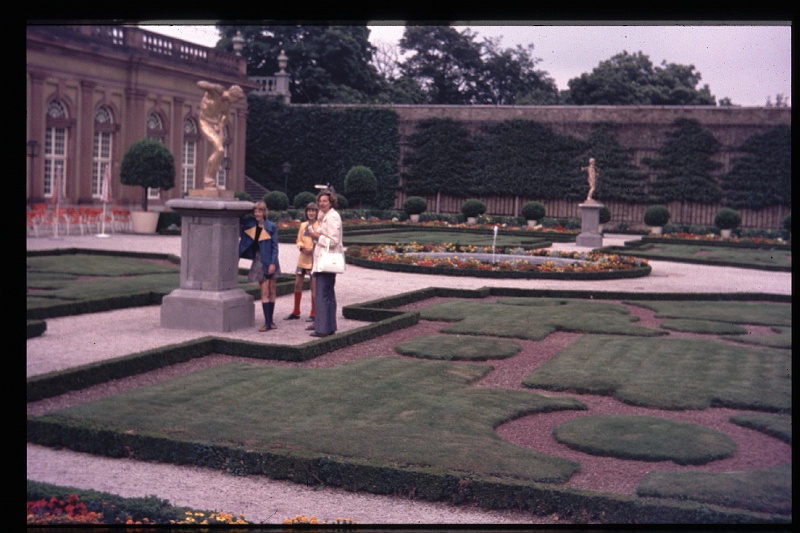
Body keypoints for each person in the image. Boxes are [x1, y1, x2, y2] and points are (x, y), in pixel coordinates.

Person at [305, 189, 343, 338]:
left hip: (327, 260)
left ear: (331, 202)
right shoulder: (326, 216)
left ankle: (322, 329)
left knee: (322, 294)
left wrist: (316, 236)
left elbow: (333, 241)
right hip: (325, 260)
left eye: (325, 201)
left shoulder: (332, 217)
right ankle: (329, 327)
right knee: (327, 294)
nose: (321, 203)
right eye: (320, 201)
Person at [239, 201, 281, 332]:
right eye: (255, 211)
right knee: (264, 291)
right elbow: (240, 218)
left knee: (272, 289)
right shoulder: (250, 224)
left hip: (271, 259)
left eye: (260, 211)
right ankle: (267, 322)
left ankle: (271, 320)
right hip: (259, 260)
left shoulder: (271, 226)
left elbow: (275, 246)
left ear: (264, 212)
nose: (257, 213)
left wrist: (273, 263)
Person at [197, 81, 245, 189]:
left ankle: (211, 182)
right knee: (219, 150)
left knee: (220, 152)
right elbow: (199, 83)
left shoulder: (228, 103)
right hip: (204, 122)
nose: (236, 102)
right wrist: (212, 86)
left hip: (215, 124)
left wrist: (221, 125)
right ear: (232, 95)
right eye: (236, 99)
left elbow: (225, 116)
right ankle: (208, 179)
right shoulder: (216, 93)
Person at [284, 202, 319, 322]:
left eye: (313, 211)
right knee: (297, 284)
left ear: (317, 212)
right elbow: (298, 240)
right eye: (309, 211)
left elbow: (321, 240)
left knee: (313, 286)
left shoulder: (319, 225)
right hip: (302, 259)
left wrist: (313, 248)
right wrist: (301, 246)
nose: (311, 213)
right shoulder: (303, 225)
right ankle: (296, 311)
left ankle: (314, 312)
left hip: (314, 259)